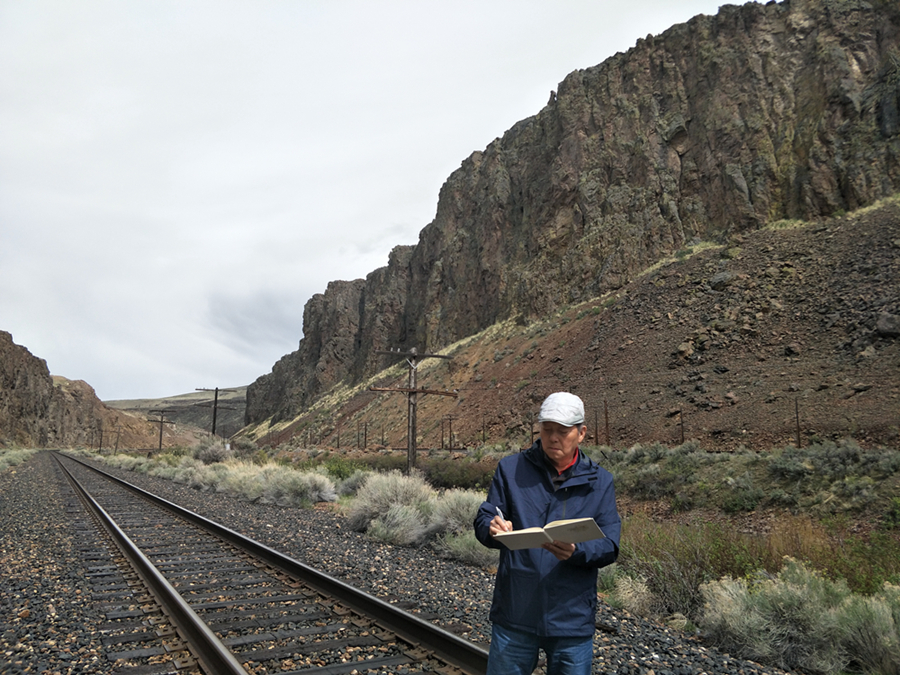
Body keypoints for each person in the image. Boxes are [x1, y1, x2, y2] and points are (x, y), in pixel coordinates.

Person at [474, 392, 621, 675]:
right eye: (546, 430)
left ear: (581, 433)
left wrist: (579, 552)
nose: (553, 438)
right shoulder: (510, 469)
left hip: (571, 617)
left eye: (562, 431)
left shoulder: (600, 482)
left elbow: (610, 544)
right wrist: (492, 527)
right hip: (515, 611)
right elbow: (485, 517)